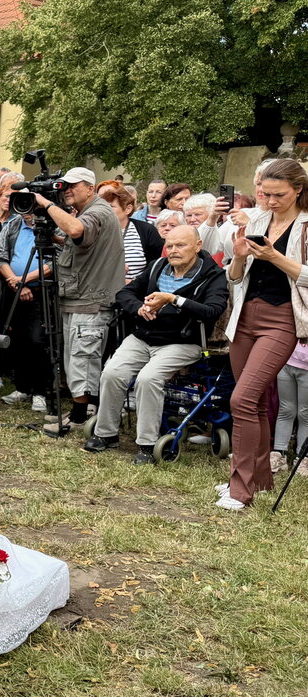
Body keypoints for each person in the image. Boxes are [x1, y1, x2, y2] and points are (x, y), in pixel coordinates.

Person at [85, 226, 228, 464]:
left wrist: (173, 299)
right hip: (143, 336)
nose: (173, 251)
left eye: (180, 245)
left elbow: (212, 310)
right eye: (169, 245)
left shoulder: (213, 274)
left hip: (182, 341)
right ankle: (106, 433)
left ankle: (147, 444)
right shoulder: (157, 266)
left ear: (198, 245)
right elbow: (125, 293)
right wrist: (139, 308)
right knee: (112, 372)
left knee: (148, 378)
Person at [216, 158, 308, 511]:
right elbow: (235, 279)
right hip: (244, 316)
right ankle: (261, 479)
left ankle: (239, 489)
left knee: (241, 400)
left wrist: (274, 256)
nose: (270, 201)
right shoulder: (255, 219)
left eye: (278, 194)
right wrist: (239, 258)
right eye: (265, 194)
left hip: (283, 320)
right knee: (253, 403)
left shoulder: (304, 225)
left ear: (298, 190)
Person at [31, 168, 124, 436]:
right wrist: (56, 239)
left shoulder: (98, 210)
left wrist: (46, 203)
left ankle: (81, 417)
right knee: (75, 359)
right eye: (64, 187)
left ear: (90, 188)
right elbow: (80, 241)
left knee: (82, 359)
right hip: (80, 298)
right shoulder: (90, 211)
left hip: (91, 302)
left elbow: (75, 228)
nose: (66, 190)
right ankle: (81, 411)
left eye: (73, 186)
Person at [0, 203, 53, 412]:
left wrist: (24, 281)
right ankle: (22, 388)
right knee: (17, 340)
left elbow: (54, 261)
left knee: (37, 341)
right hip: (14, 291)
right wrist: (16, 282)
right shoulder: (12, 226)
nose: (27, 214)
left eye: (31, 210)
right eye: (24, 210)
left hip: (40, 292)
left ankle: (40, 392)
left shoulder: (51, 228)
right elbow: (1, 256)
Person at [101, 184, 163, 283]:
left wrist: (136, 283)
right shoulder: (95, 231)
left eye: (111, 206)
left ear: (127, 209)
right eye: (103, 207)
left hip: (136, 291)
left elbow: (158, 266)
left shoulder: (146, 231)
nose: (104, 211)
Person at [271, 340, 308, 475]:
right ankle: (279, 455)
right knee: (285, 410)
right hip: (287, 361)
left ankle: (303, 459)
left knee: (305, 414)